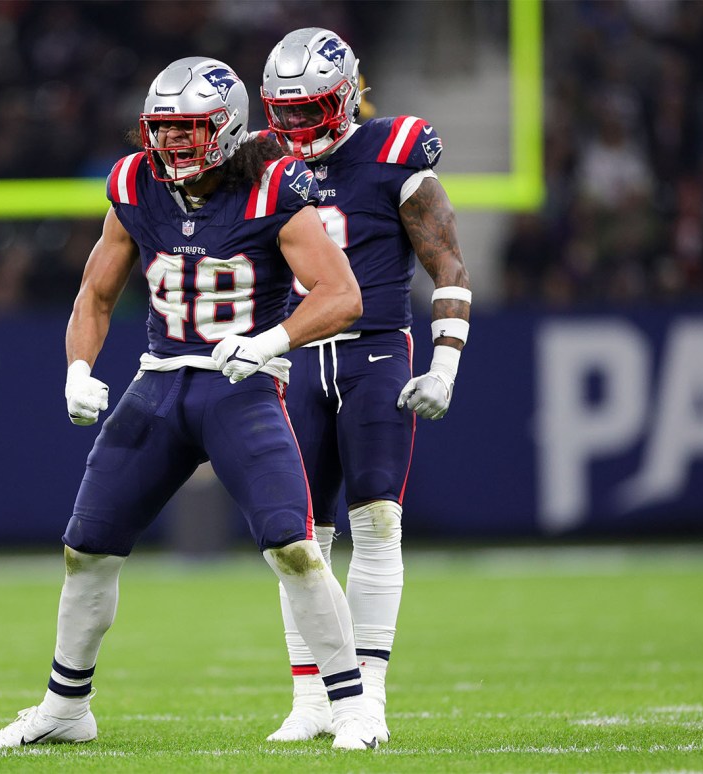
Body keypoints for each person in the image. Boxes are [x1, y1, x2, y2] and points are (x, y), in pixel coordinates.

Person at [0, 56, 379, 751]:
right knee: (86, 548)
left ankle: (354, 709)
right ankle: (66, 706)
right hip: (159, 380)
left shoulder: (274, 185)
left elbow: (343, 296)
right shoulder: (135, 183)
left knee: (293, 544)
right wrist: (77, 369)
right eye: (163, 129)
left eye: (189, 130)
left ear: (225, 129)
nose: (171, 145)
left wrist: (270, 341)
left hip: (240, 387)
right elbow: (95, 295)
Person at [259, 28, 472, 743]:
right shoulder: (262, 162)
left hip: (376, 353)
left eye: (308, 108)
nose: (292, 126)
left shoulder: (394, 151)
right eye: (282, 112)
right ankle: (312, 699)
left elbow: (448, 266)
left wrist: (443, 365)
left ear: (347, 94)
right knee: (298, 536)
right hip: (293, 357)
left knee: (376, 519)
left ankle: (367, 696)